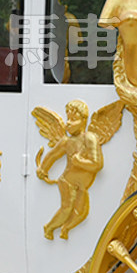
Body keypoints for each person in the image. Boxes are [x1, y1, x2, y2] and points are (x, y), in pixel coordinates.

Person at [36, 100, 103, 240]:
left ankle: (65, 228)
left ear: (83, 120)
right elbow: (53, 155)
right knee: (66, 208)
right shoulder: (67, 141)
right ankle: (49, 227)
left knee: (82, 213)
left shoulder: (90, 139)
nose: (68, 123)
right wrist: (43, 169)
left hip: (82, 185)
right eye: (68, 119)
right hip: (67, 181)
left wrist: (80, 162)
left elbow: (97, 164)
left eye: (73, 119)